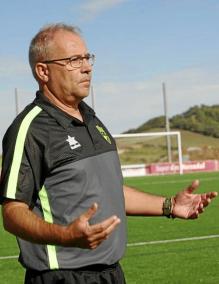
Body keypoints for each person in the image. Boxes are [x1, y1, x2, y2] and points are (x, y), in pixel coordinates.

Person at [0, 23, 217, 284]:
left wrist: (169, 205)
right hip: (62, 277)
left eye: (87, 57)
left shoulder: (92, 120)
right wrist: (65, 235)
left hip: (111, 273)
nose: (87, 67)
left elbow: (108, 191)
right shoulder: (30, 128)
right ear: (43, 71)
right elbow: (12, 212)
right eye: (73, 60)